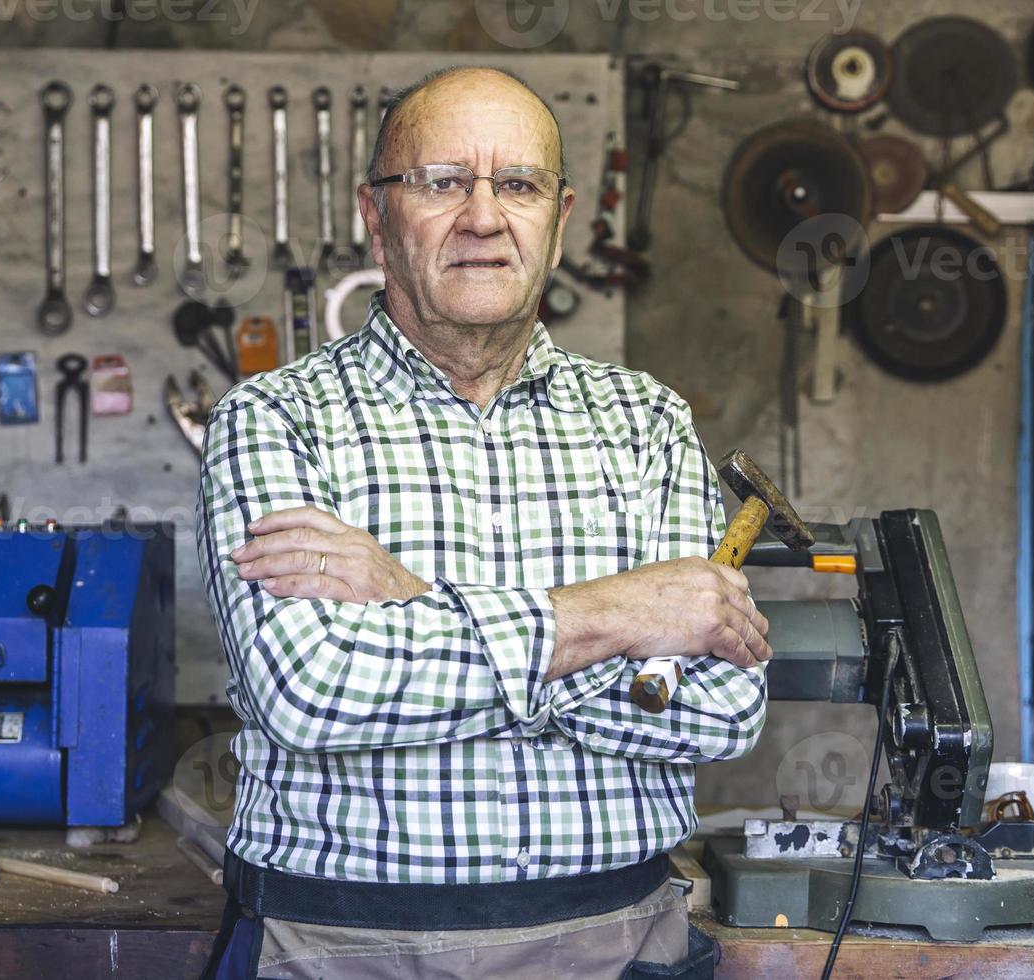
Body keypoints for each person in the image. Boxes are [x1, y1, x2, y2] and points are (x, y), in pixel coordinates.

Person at [197, 65, 770, 979]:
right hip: (339, 949)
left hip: (618, 942)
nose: (481, 216)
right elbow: (308, 691)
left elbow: (718, 710)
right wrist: (619, 616)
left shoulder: (646, 422)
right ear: (375, 217)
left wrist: (416, 601)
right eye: (439, 182)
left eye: (516, 184)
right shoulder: (275, 419)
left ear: (559, 218)